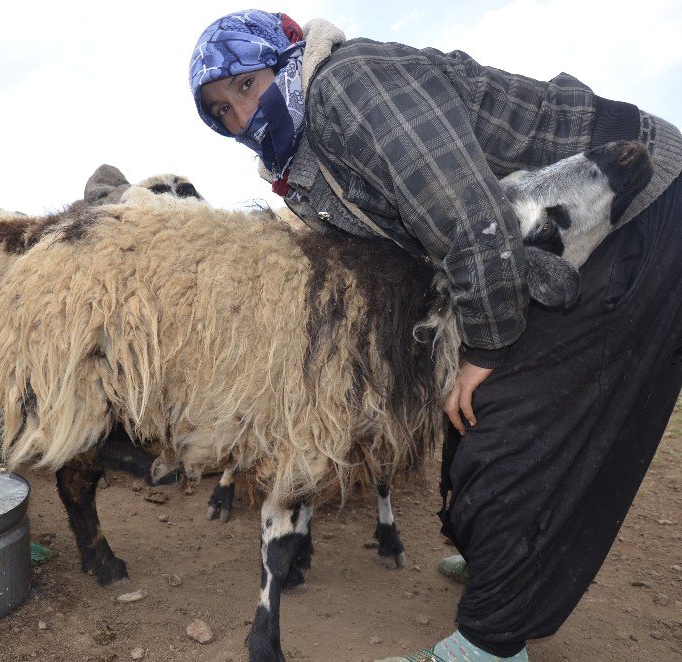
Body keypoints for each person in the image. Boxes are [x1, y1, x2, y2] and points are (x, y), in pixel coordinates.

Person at [189, 10, 682, 662]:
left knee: (513, 419)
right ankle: (501, 566)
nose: (240, 118)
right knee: (470, 419)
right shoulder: (306, 169)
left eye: (246, 87)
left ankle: (489, 645)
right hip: (542, 243)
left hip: (630, 204)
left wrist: (485, 348)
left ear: (285, 60)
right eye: (221, 112)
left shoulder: (347, 87)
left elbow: (467, 217)